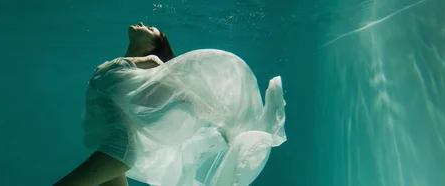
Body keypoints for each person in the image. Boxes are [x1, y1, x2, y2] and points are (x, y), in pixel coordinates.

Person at [54, 22, 287, 186]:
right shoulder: (126, 68)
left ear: (153, 44)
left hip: (117, 149)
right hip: (110, 146)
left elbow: (184, 90)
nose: (144, 23)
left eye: (151, 29)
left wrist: (224, 125)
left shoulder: (150, 63)